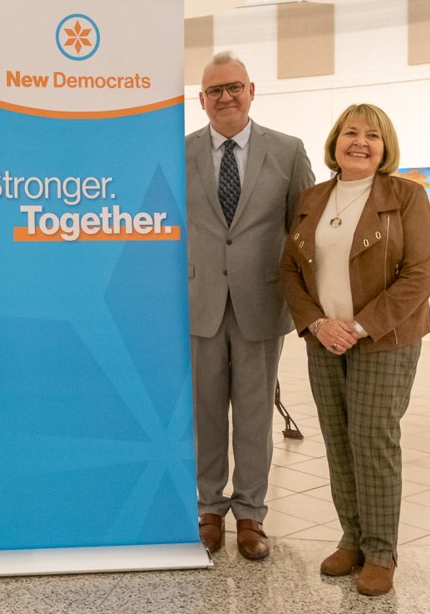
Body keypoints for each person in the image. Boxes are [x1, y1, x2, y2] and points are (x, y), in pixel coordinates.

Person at [280, 103, 430, 596]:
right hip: (324, 340)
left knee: (372, 441)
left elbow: (419, 275)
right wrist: (315, 323)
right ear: (335, 141)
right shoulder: (313, 197)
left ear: (385, 146)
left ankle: (382, 552)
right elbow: (290, 270)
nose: (360, 142)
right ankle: (352, 538)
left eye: (372, 134)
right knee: (339, 441)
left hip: (384, 340)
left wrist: (361, 325)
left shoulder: (406, 196)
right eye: (351, 132)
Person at [186, 51, 314, 560]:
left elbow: (303, 231)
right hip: (201, 303)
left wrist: (311, 307)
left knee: (256, 414)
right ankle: (210, 509)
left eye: (234, 87)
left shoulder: (287, 150)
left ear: (252, 90)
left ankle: (252, 515)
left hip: (263, 303)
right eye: (215, 91)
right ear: (202, 100)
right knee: (207, 411)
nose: (225, 97)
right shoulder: (180, 152)